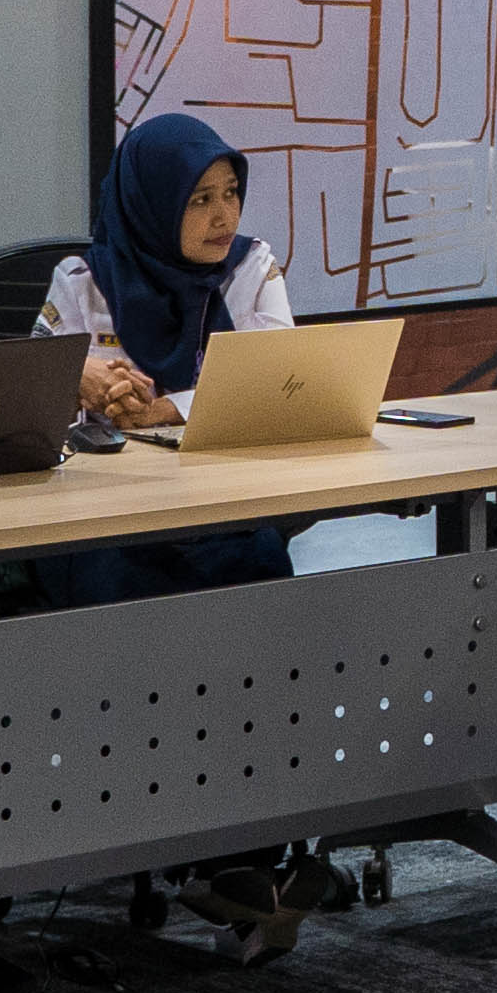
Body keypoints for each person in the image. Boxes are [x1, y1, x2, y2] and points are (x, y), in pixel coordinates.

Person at [31, 111, 327, 950]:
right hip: (103, 526)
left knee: (255, 577)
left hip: (219, 515)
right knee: (126, 595)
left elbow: (278, 385)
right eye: (199, 200)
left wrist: (169, 407)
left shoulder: (251, 269)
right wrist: (80, 383)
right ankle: (170, 829)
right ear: (152, 204)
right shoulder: (80, 280)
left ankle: (244, 850)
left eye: (230, 194)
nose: (223, 215)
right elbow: (27, 397)